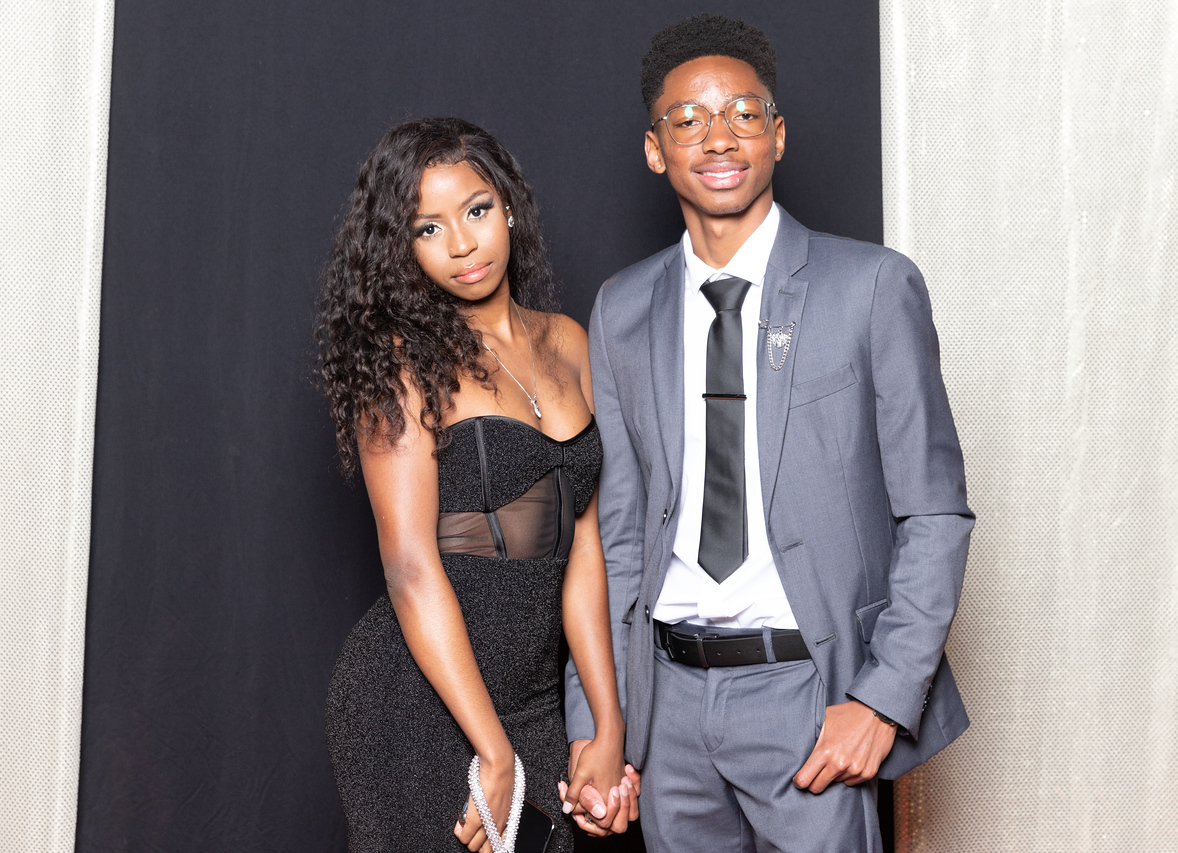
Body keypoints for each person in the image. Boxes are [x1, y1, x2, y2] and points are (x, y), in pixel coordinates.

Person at [561, 15, 975, 853]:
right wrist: (600, 719)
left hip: (810, 692)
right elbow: (620, 538)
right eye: (688, 119)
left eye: (744, 113)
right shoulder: (622, 309)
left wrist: (884, 698)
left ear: (777, 135)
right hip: (668, 705)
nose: (719, 136)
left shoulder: (871, 287)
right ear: (655, 150)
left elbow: (936, 514)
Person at [317, 118, 637, 852]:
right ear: (401, 248)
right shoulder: (399, 365)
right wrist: (493, 754)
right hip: (422, 700)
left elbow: (583, 543)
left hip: (533, 698)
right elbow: (409, 566)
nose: (462, 244)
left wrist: (607, 722)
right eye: (428, 228)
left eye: (476, 210)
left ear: (509, 206)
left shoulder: (568, 341)